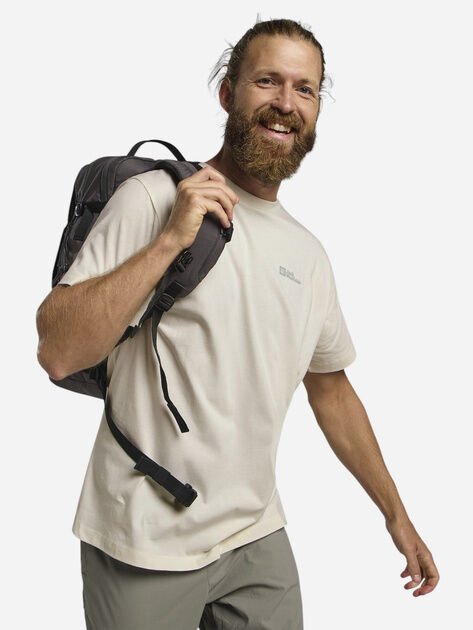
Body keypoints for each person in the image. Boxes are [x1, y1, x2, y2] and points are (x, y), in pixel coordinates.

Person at [36, 17, 439, 630]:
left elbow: (331, 389)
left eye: (305, 89)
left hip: (255, 533)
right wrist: (168, 241)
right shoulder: (152, 198)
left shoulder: (308, 255)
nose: (286, 103)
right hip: (146, 536)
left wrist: (396, 515)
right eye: (267, 81)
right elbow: (58, 350)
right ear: (228, 93)